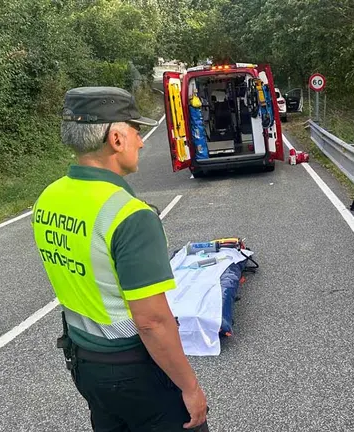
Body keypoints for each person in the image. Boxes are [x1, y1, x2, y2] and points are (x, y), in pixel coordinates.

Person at [32, 87, 209, 431]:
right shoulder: (130, 215)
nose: (141, 141)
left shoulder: (49, 198)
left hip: (85, 364)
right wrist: (190, 387)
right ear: (116, 138)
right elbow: (151, 322)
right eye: (135, 130)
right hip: (134, 370)